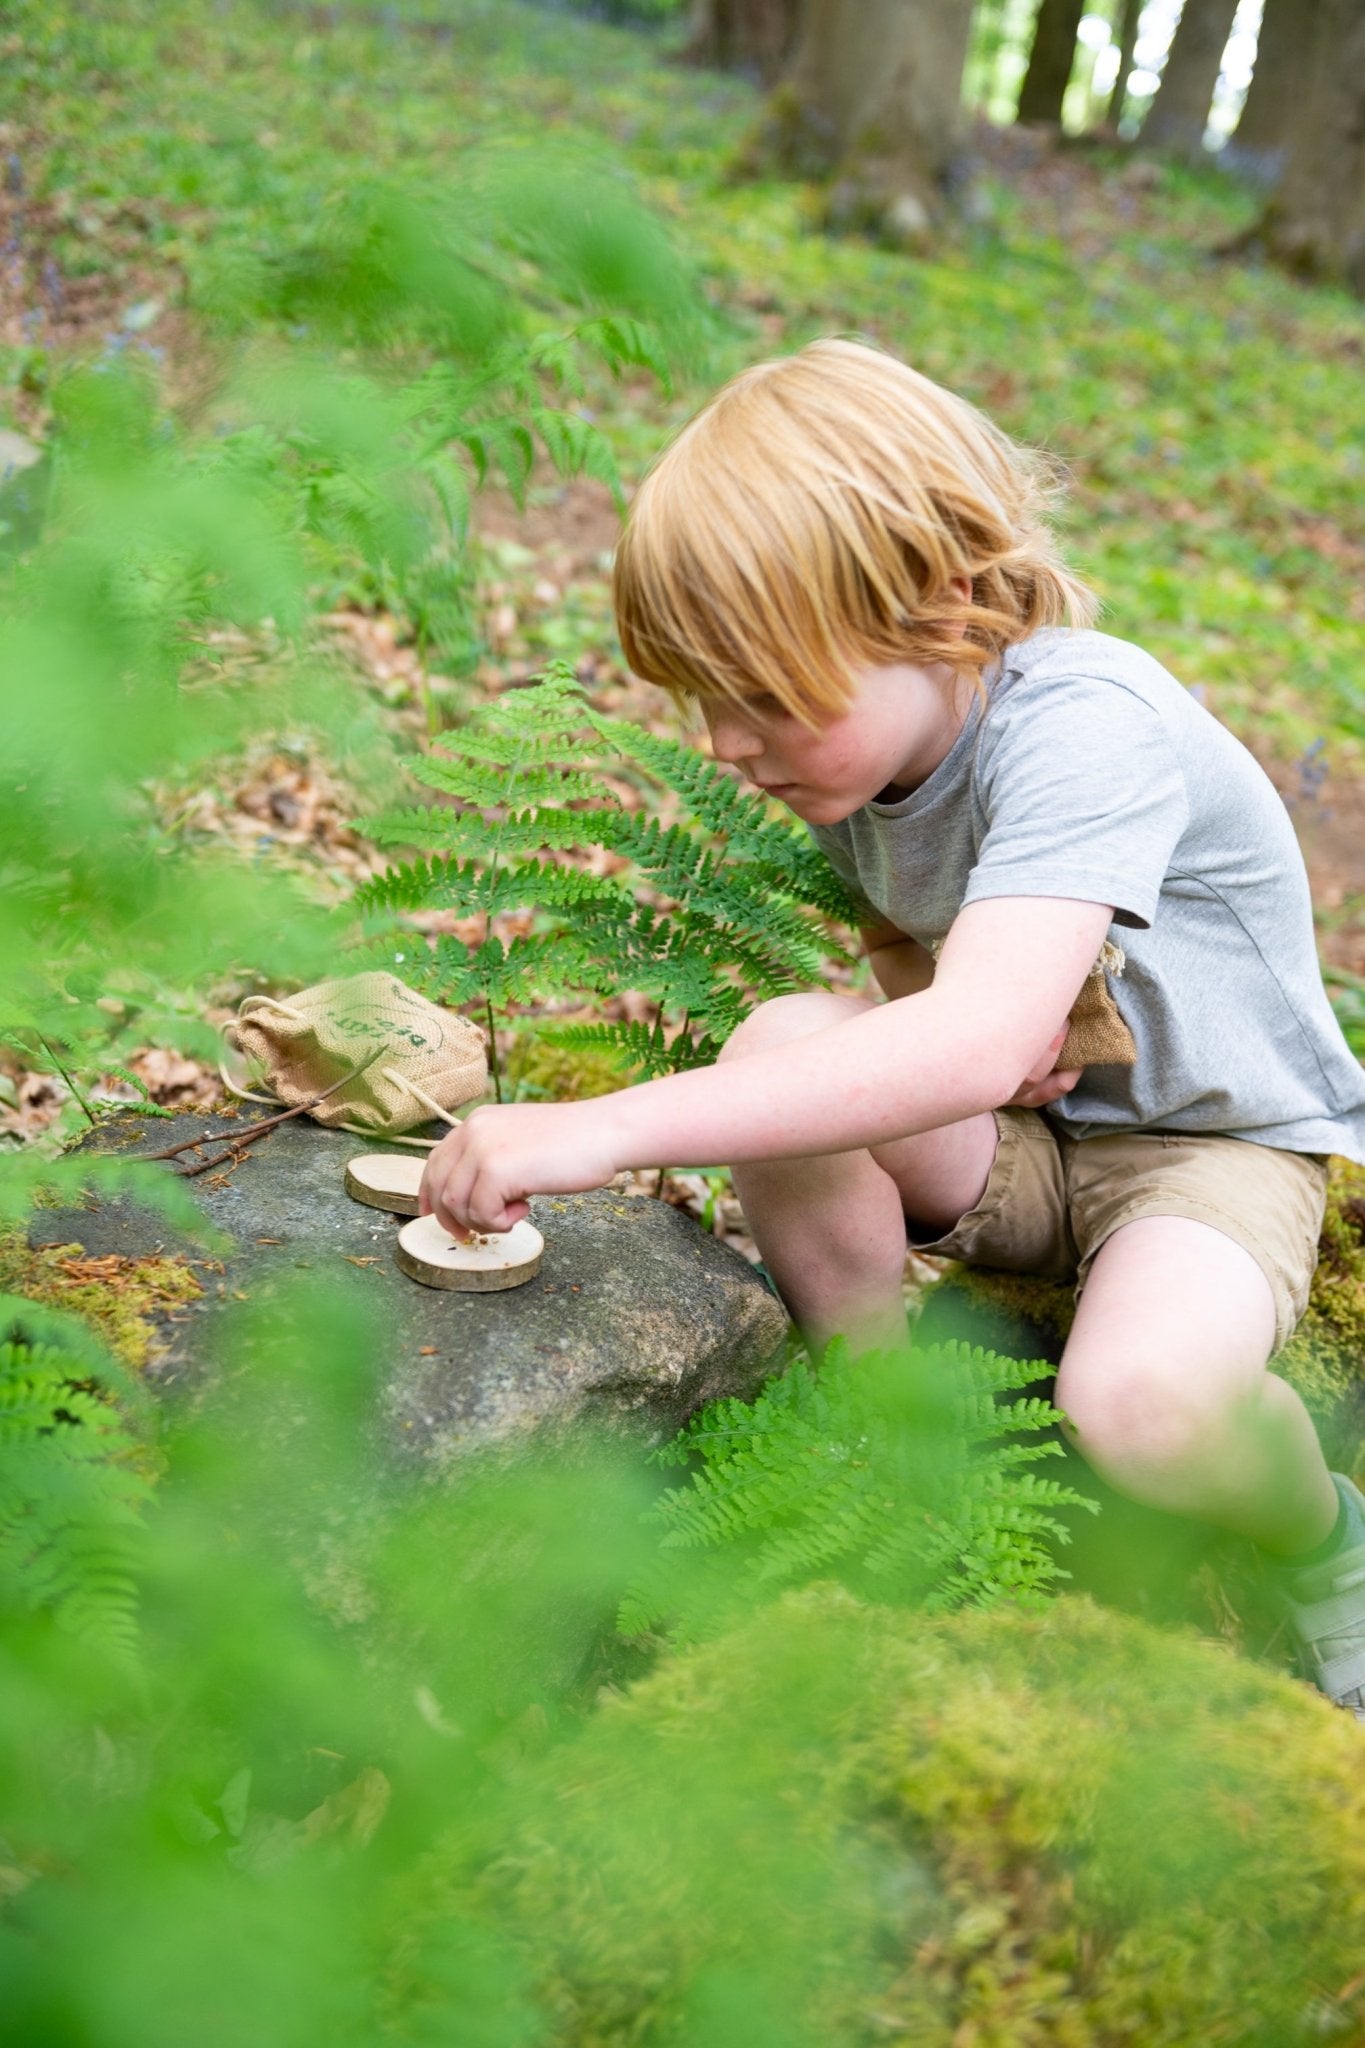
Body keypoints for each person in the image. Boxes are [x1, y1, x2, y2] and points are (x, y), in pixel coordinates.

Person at [421, 337, 1365, 1717]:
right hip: (1037, 1148)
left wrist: (601, 1129)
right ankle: (874, 1430)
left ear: (939, 603)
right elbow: (939, 1006)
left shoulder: (1084, 721)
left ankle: (1326, 1541)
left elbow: (972, 1044)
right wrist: (967, 1029)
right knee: (780, 1045)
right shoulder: (862, 769)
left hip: (1207, 1156)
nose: (727, 741)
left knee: (1141, 1406)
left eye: (761, 692)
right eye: (701, 699)